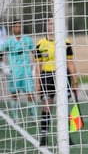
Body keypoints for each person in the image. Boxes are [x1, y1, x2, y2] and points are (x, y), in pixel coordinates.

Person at [34, 17, 78, 146]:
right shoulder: (40, 43)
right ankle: (44, 137)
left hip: (63, 76)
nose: (52, 25)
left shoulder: (65, 42)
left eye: (54, 23)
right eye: (49, 23)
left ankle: (66, 137)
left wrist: (75, 79)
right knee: (47, 106)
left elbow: (70, 62)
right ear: (46, 26)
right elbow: (38, 65)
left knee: (64, 107)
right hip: (47, 77)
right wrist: (37, 83)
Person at [0, 20, 37, 121]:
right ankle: (16, 116)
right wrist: (3, 66)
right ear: (13, 28)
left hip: (26, 71)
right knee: (15, 94)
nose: (18, 28)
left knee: (30, 93)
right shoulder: (8, 42)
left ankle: (33, 116)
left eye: (19, 26)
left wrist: (34, 67)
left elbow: (35, 52)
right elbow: (0, 52)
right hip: (14, 71)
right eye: (16, 26)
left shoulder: (27, 40)